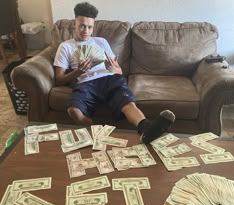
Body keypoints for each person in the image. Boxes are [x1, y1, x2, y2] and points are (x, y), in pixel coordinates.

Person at [53, 2, 175, 144]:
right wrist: (77, 72)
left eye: (89, 27)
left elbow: (119, 71)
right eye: (82, 25)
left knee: (127, 102)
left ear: (93, 27)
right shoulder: (65, 46)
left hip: (108, 78)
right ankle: (97, 133)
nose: (85, 30)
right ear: (74, 24)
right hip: (85, 83)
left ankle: (146, 128)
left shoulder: (101, 42)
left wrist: (113, 69)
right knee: (73, 110)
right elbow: (59, 79)